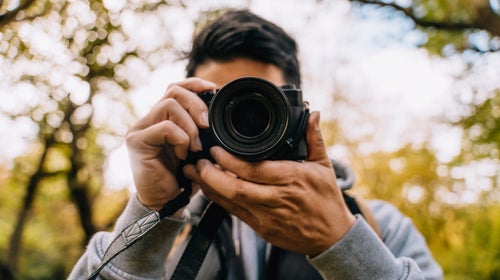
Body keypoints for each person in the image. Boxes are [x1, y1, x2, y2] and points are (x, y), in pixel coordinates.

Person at [69, 9, 443, 280]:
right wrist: (150, 211)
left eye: (260, 105)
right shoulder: (164, 229)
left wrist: (342, 241)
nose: (243, 124)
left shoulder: (381, 227)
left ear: (297, 114)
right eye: (220, 104)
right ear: (187, 107)